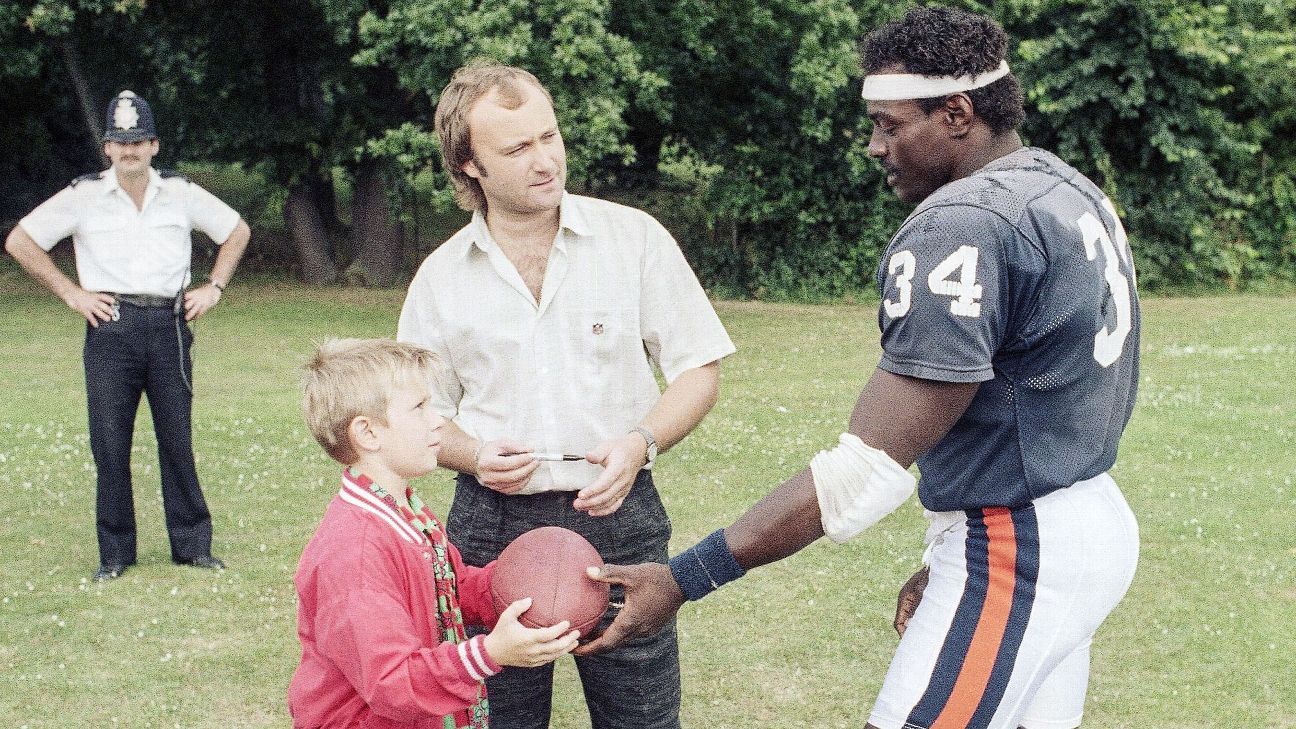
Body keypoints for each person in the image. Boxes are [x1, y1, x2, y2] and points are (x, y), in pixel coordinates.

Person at [579, 8, 1142, 729]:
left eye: (890, 124)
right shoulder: (1062, 185)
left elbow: (863, 471)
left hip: (1020, 547)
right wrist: (950, 549)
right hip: (1082, 519)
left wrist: (685, 578)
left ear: (958, 113)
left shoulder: (962, 223)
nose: (875, 146)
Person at [397, 63, 735, 728]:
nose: (547, 160)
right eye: (517, 149)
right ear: (469, 167)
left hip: (620, 515)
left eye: (549, 136)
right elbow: (422, 412)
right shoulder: (439, 278)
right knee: (501, 720)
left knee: (642, 719)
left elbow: (700, 369)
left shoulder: (632, 239)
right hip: (492, 528)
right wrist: (472, 454)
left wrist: (641, 443)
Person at [4, 90, 251, 581]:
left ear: (154, 145)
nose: (130, 150)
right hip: (111, 325)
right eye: (121, 142)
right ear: (107, 148)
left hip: (169, 325)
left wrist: (215, 287)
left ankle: (192, 546)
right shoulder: (84, 196)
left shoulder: (180, 193)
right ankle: (116, 554)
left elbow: (236, 230)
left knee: (176, 439)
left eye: (139, 141)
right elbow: (20, 241)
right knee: (110, 443)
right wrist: (71, 294)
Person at [289, 338, 579, 728]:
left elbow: (449, 588)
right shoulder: (354, 554)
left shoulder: (404, 511)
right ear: (368, 433)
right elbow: (392, 682)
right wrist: (489, 652)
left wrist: (520, 585)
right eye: (419, 407)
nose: (438, 419)